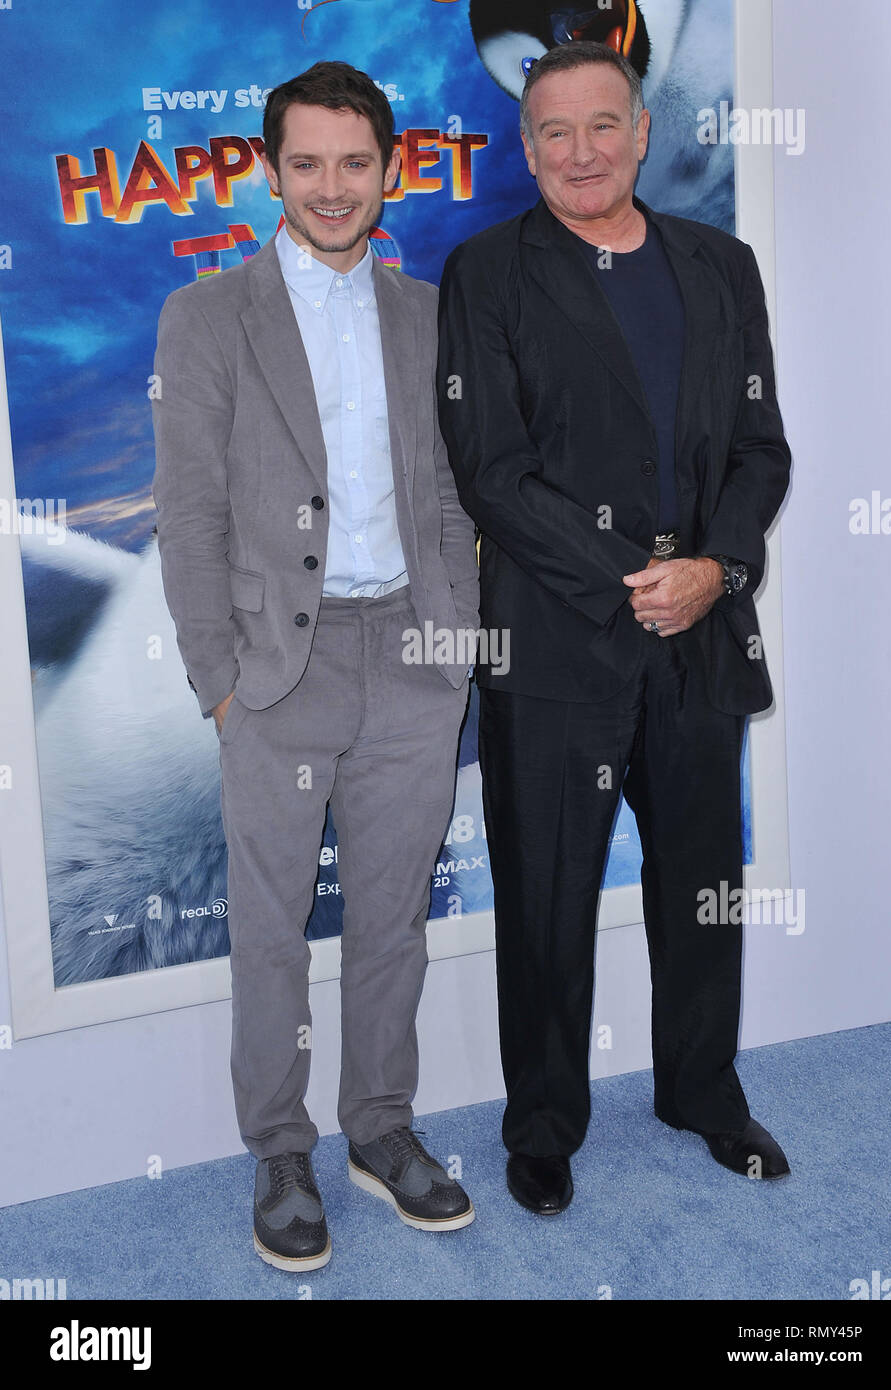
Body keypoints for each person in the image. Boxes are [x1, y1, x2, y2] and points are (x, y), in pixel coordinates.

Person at [436, 41, 792, 1215]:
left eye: (603, 126)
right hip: (555, 647)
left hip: (699, 635)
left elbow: (759, 450)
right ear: (526, 146)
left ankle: (703, 1091)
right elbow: (492, 469)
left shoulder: (722, 264)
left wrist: (715, 570)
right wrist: (637, 577)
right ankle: (542, 1123)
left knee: (703, 886)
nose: (581, 151)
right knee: (546, 903)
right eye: (554, 131)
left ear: (641, 135)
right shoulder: (486, 274)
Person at [152, 61, 479, 1268]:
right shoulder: (205, 318)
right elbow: (186, 517)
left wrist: (453, 640)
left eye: (355, 162)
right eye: (306, 164)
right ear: (270, 171)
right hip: (274, 671)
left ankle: (379, 1127)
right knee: (274, 928)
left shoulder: (430, 313)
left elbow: (450, 493)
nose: (332, 188)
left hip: (410, 652)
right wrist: (219, 684)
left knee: (391, 917)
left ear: (390, 168)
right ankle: (280, 1147)